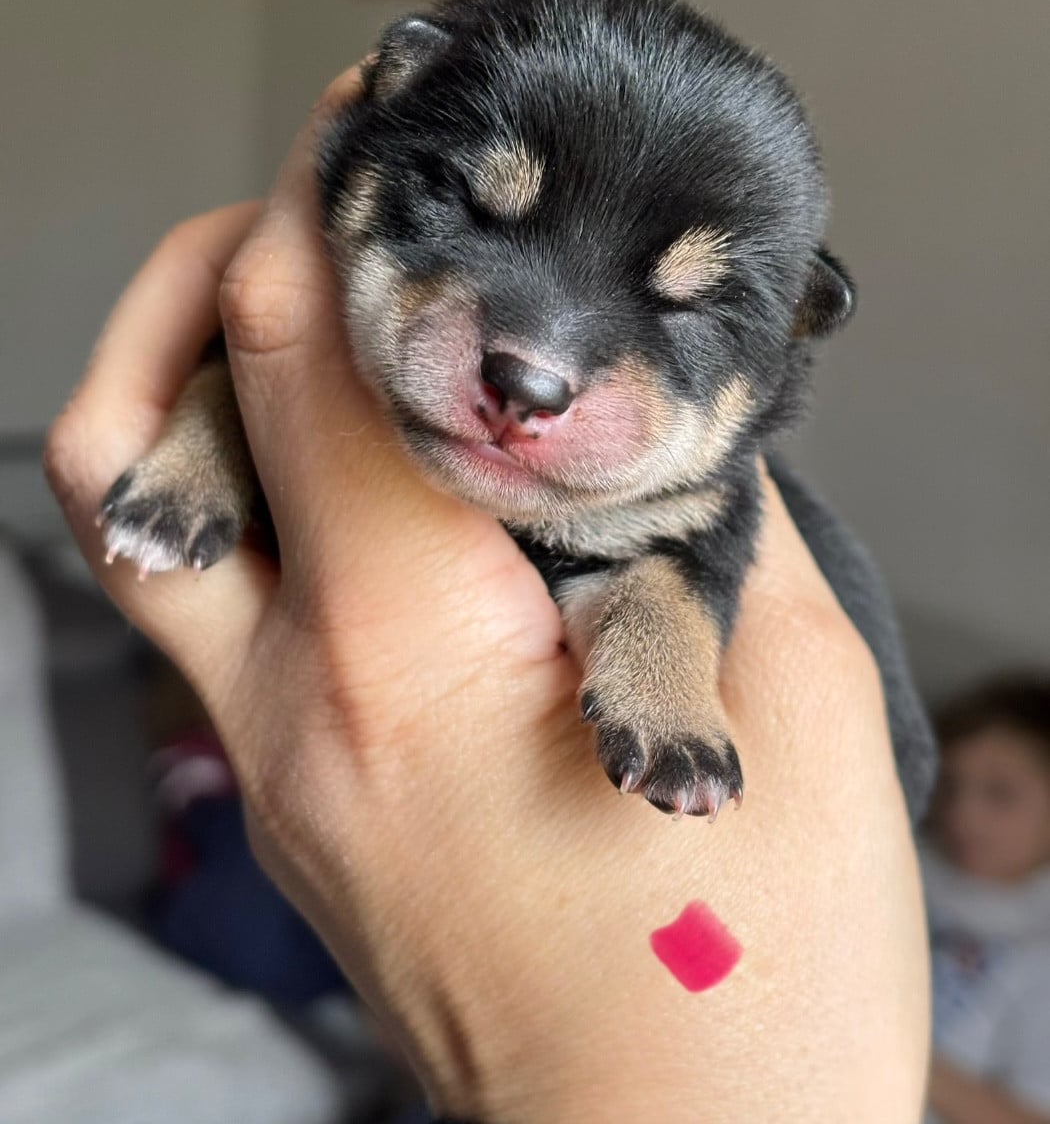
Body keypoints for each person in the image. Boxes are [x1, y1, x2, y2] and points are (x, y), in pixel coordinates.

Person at [45, 65, 931, 1122]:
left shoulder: (695, 502)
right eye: (474, 209)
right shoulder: (326, 310)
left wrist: (661, 681)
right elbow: (239, 377)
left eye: (684, 309)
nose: (538, 368)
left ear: (784, 342)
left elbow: (662, 575)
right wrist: (208, 442)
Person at [923, 677, 1050, 1124]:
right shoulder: (906, 864)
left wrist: (887, 1040)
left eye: (1000, 794)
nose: (963, 814)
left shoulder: (1039, 949)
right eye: (951, 786)